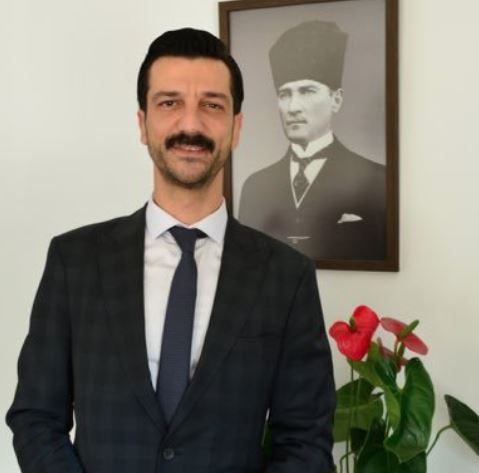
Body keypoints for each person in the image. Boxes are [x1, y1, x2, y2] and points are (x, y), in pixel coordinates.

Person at [6, 28, 335, 473]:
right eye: (169, 103)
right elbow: (36, 418)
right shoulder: (74, 261)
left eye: (212, 105)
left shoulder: (286, 276)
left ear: (236, 127)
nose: (190, 125)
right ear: (143, 124)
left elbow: (305, 441)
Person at [239, 20, 386, 261]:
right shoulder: (255, 187)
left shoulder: (377, 180)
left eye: (307, 91)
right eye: (284, 94)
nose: (293, 107)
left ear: (336, 100)